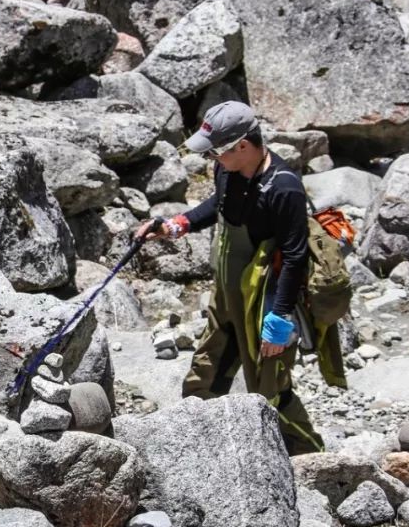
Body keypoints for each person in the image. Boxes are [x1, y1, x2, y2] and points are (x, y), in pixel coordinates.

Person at [136, 101, 325, 454]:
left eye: (215, 152)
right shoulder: (227, 171)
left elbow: (296, 255)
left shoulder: (284, 188)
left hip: (264, 305)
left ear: (242, 145)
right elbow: (218, 205)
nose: (211, 160)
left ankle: (313, 459)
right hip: (226, 299)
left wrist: (280, 319)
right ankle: (204, 454)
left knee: (271, 391)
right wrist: (178, 225)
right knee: (203, 379)